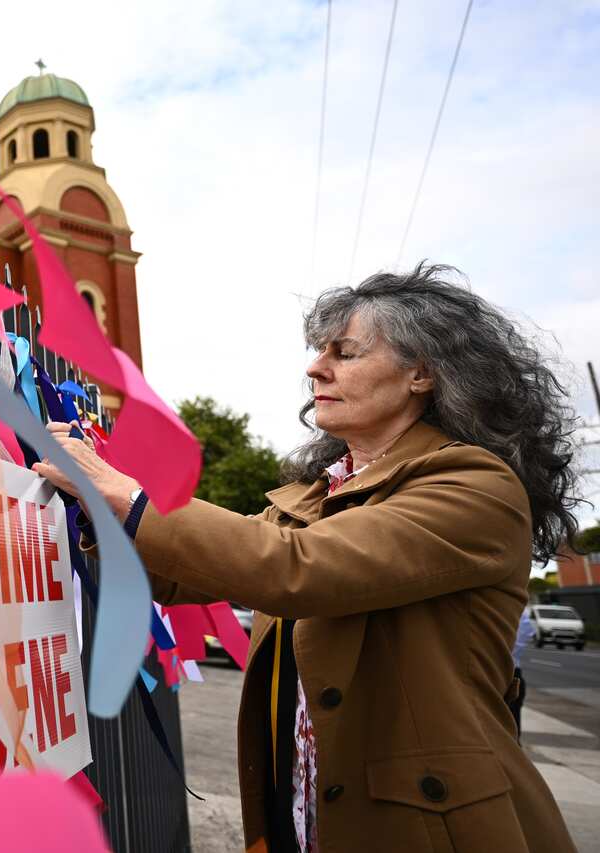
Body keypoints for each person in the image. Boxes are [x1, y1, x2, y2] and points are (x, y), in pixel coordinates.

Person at [35, 265, 579, 852]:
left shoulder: (473, 483)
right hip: (304, 813)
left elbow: (292, 568)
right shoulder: (321, 493)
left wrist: (124, 494)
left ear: (422, 372)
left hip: (430, 828)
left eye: (344, 352)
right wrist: (95, 508)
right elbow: (180, 574)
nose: (315, 368)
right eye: (321, 351)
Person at [509, 606, 536, 739]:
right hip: (513, 672)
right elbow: (527, 634)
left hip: (496, 673)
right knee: (512, 731)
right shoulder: (519, 609)